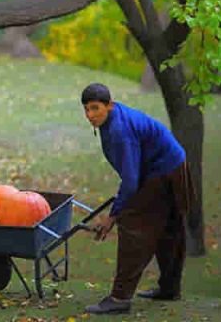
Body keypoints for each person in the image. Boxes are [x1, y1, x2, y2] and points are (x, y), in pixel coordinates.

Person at [80, 82, 191, 315]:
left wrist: (112, 216)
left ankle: (120, 298)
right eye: (86, 109)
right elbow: (132, 174)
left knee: (133, 224)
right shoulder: (113, 118)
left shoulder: (119, 131)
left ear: (109, 106)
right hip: (171, 164)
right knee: (167, 227)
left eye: (95, 108)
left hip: (164, 170)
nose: (90, 115)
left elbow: (130, 182)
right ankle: (170, 288)